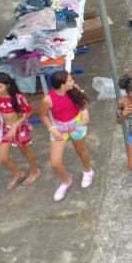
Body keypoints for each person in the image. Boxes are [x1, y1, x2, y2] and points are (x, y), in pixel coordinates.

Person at [41, 71, 94, 202]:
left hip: (76, 124)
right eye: (70, 80)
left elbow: (84, 102)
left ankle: (88, 171)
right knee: (55, 162)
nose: (73, 82)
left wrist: (85, 111)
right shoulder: (48, 99)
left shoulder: (74, 89)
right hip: (60, 128)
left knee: (81, 151)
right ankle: (66, 181)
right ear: (61, 85)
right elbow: (43, 115)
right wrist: (52, 128)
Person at [0, 72, 40, 189]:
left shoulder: (18, 98)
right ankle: (18, 173)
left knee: (25, 152)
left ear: (7, 86)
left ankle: (35, 171)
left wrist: (15, 126)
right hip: (5, 130)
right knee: (2, 158)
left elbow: (28, 111)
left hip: (19, 129)